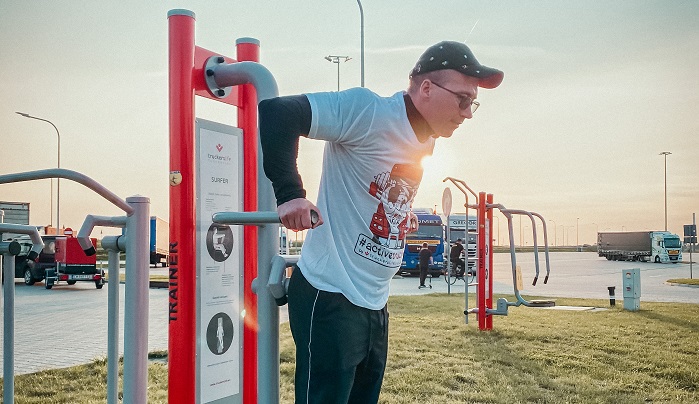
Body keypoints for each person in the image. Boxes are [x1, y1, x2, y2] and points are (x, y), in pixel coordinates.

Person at [259, 40, 503, 404]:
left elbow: (377, 191)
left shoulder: (427, 141)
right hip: (331, 294)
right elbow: (278, 113)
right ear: (426, 88)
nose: (468, 113)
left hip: (374, 303)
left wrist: (400, 220)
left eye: (474, 103)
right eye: (463, 100)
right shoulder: (367, 110)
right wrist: (290, 193)